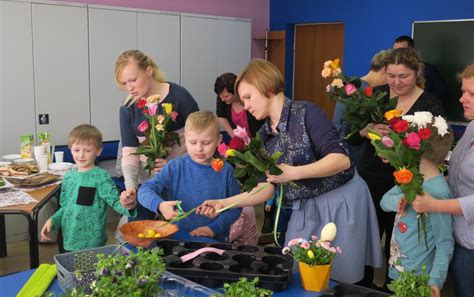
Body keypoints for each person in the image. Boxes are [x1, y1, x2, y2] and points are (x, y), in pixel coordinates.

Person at [198, 59, 383, 283]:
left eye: (247, 97)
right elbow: (266, 189)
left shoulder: (306, 113)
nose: (244, 106)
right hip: (306, 205)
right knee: (297, 270)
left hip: (340, 199)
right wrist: (223, 203)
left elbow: (341, 160)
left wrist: (293, 173)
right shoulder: (265, 136)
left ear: (267, 88)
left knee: (337, 276)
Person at [346, 47, 445, 288]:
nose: (396, 82)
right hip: (371, 180)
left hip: (407, 184)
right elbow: (351, 137)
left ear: (417, 72)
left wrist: (403, 154)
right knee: (367, 239)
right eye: (391, 76)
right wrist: (365, 131)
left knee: (401, 239)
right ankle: (363, 287)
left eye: (404, 76)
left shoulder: (430, 104)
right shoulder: (376, 96)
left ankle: (394, 286)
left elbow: (437, 151)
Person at [411, 64, 474, 297]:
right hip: (462, 239)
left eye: (471, 94)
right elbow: (458, 176)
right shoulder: (471, 128)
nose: (461, 98)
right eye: (463, 90)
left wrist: (434, 205)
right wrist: (421, 191)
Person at [115, 50, 199, 220]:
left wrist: (172, 164)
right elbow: (130, 152)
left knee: (182, 232)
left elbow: (202, 143)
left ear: (149, 70)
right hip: (148, 185)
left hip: (182, 180)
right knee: (140, 235)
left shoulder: (179, 96)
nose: (129, 88)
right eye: (124, 83)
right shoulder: (127, 108)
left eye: (133, 80)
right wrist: (131, 188)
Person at [137, 111, 242, 242]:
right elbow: (145, 190)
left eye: (206, 142)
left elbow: (236, 207)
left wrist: (213, 228)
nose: (199, 149)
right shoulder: (175, 167)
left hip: (214, 239)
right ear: (185, 139)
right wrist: (160, 205)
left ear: (218, 140)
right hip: (178, 238)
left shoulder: (226, 170)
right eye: (193, 142)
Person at [380, 125, 454, 297]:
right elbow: (384, 201)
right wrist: (397, 201)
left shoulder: (438, 192)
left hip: (420, 280)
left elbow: (445, 243)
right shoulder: (412, 176)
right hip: (397, 270)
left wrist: (435, 281)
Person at [40, 124, 136, 252]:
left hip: (92, 243)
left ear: (98, 151)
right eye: (76, 150)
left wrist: (128, 203)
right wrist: (52, 221)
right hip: (69, 239)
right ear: (70, 149)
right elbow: (65, 207)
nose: (81, 155)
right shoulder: (68, 177)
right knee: (71, 271)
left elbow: (116, 202)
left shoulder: (101, 177)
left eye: (87, 150)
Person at [214, 72, 270, 233]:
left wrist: (252, 142)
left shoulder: (250, 103)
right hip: (239, 140)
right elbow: (221, 116)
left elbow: (261, 126)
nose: (223, 99)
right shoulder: (222, 100)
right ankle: (242, 204)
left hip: (257, 141)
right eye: (221, 96)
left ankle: (267, 214)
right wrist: (233, 135)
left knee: (263, 174)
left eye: (226, 96)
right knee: (235, 169)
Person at [332, 49, 391, 171]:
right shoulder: (360, 92)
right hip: (354, 156)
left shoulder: (353, 87)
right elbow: (342, 128)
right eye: (392, 75)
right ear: (385, 70)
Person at [393, 35, 449, 103]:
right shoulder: (390, 71)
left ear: (412, 50)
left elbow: (443, 92)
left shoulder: (428, 69)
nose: (398, 54)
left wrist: (420, 98)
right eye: (395, 51)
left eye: (402, 50)